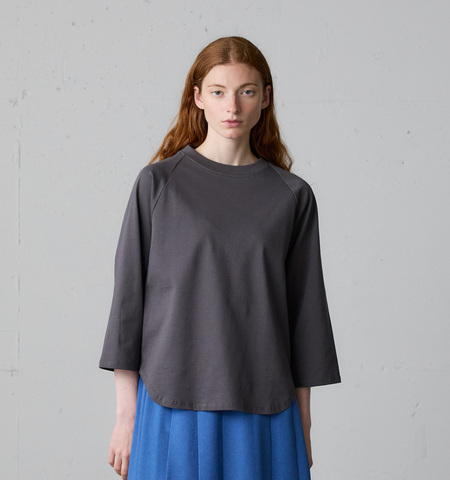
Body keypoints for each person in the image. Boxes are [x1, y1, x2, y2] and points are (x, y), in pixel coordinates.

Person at [99, 36, 341, 480]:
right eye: (218, 91)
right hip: (170, 403)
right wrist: (125, 416)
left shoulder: (292, 196)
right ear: (198, 98)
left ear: (265, 98)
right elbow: (128, 303)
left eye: (246, 91)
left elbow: (305, 316)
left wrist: (304, 424)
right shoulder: (158, 185)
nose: (232, 106)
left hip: (266, 407)